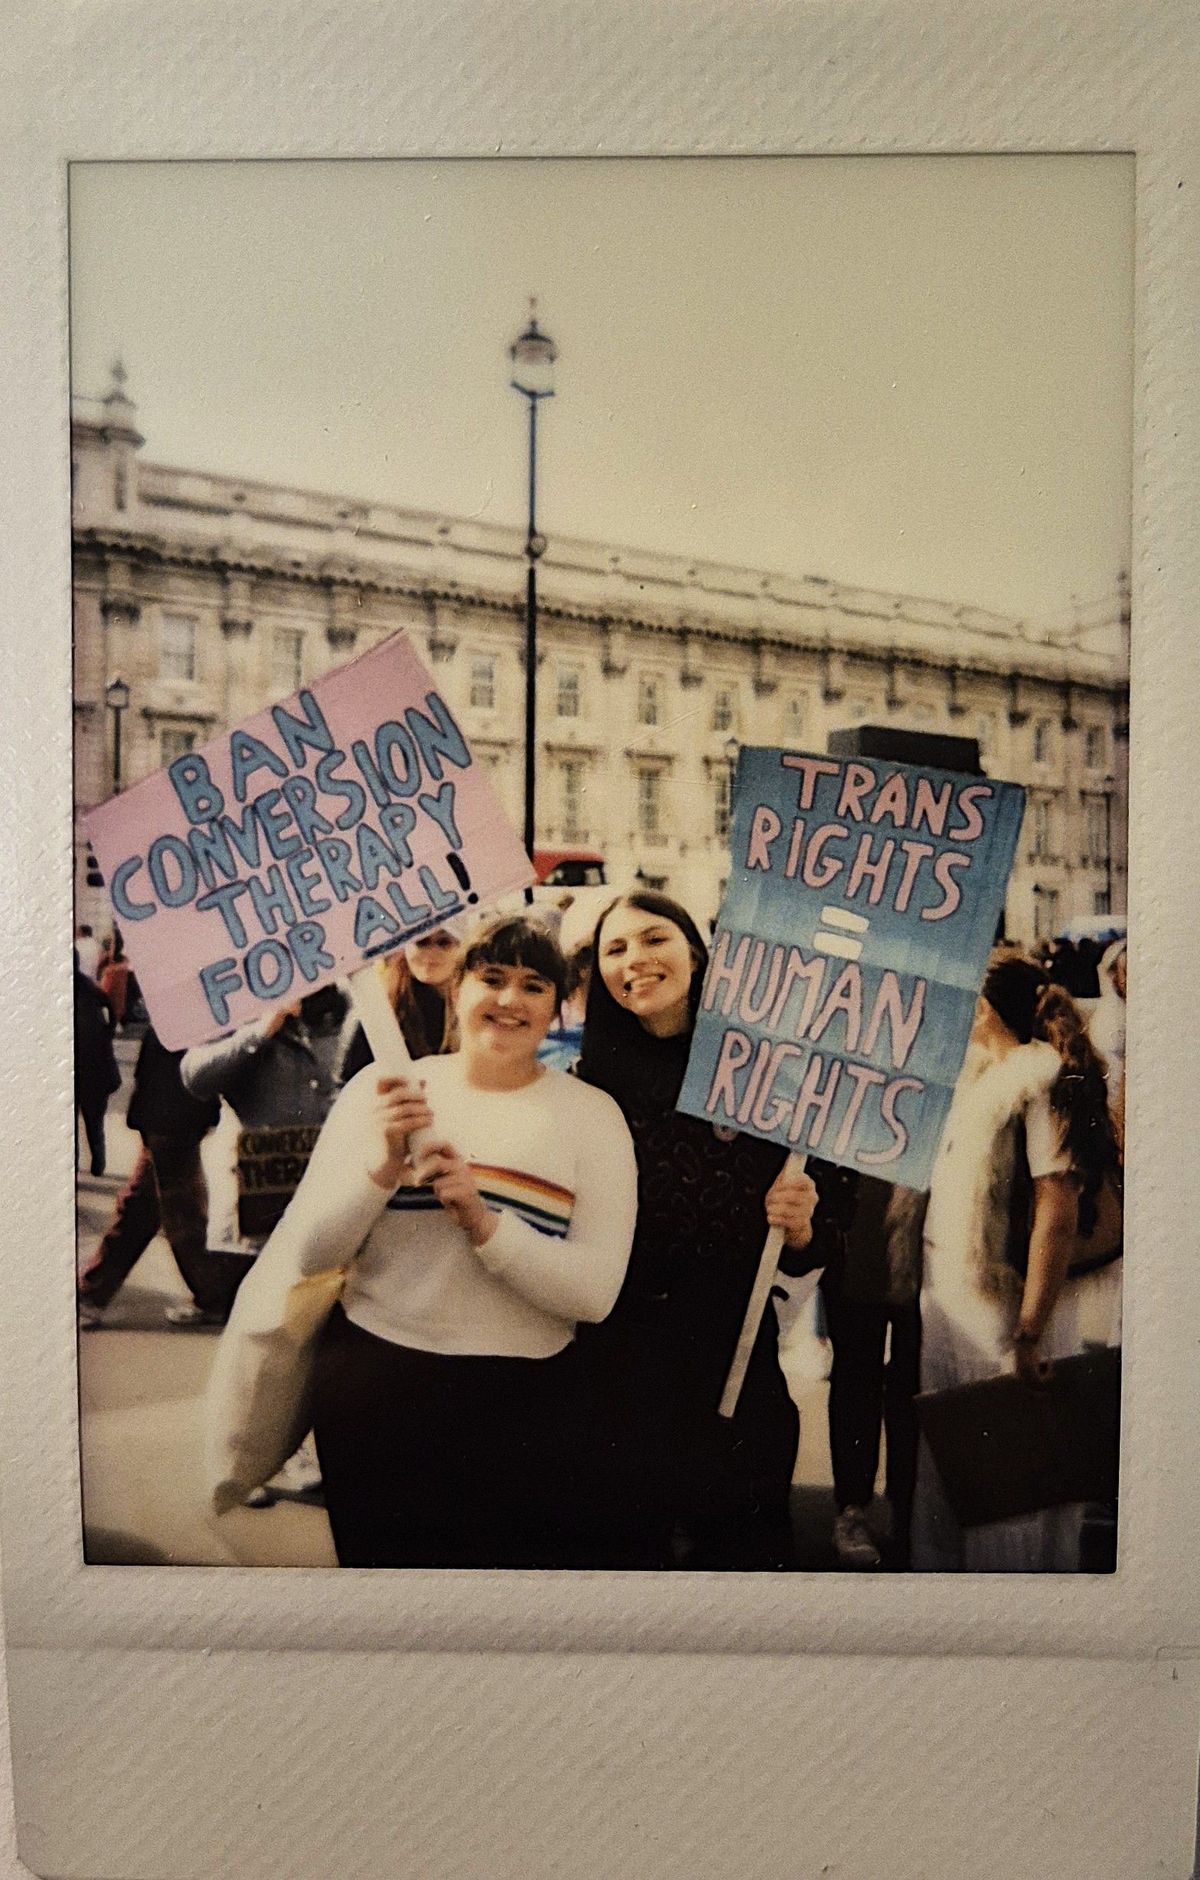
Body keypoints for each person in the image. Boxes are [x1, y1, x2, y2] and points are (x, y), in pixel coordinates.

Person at [236, 915, 638, 1567]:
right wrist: (384, 1167)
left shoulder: (593, 1116)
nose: (510, 999)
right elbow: (310, 1252)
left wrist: (486, 1227)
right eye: (492, 978)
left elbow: (594, 1294)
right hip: (377, 1388)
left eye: (535, 985)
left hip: (527, 1406)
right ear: (457, 988)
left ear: (556, 1007)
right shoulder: (384, 1091)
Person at [575, 890, 853, 1569]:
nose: (635, 959)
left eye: (654, 939)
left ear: (697, 955)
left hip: (735, 1371)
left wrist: (801, 1227)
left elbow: (821, 1241)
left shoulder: (765, 1077)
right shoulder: (586, 1087)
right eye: (615, 949)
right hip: (621, 1372)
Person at [910, 951, 1123, 1573]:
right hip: (953, 1308)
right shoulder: (979, 1077)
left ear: (979, 1009)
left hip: (1003, 1317)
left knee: (1009, 1484)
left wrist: (1030, 1331)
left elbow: (1056, 1212)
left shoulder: (1039, 1082)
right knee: (962, 1468)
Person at [78, 1024, 219, 1325]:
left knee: (178, 1214)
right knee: (143, 1208)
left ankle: (216, 1297)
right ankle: (92, 1293)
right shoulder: (187, 1005)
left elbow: (158, 1068)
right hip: (171, 1117)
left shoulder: (174, 1008)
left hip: (169, 1119)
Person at [334, 939, 451, 1085]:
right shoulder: (377, 1008)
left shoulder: (477, 1004)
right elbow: (347, 1087)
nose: (430, 952)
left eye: (444, 942)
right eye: (421, 942)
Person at [74, 949, 120, 1177]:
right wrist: (107, 1032)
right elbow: (111, 1009)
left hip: (76, 1069)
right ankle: (98, 1162)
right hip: (95, 1070)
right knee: (95, 1122)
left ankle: (74, 1165)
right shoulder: (92, 989)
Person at [98, 928, 131, 1031]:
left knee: (112, 1000)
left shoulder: (112, 966)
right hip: (115, 979)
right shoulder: (120, 961)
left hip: (112, 979)